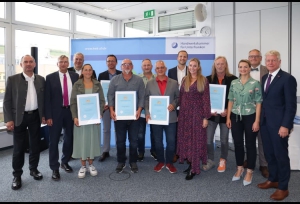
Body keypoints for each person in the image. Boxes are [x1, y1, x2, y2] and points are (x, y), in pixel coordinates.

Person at [257, 50, 297, 201]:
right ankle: (273, 179)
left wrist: (286, 125)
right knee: (269, 154)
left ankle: (283, 187)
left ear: (279, 62)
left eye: (273, 60)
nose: (270, 63)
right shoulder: (265, 77)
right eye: (268, 60)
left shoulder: (288, 79)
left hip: (279, 125)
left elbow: (291, 106)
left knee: (280, 155)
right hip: (265, 123)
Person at [3, 55, 45, 190]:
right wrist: (9, 119)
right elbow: (7, 101)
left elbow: (43, 100)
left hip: (35, 117)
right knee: (18, 148)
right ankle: (17, 175)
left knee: (35, 145)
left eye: (30, 62)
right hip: (18, 119)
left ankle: (34, 169)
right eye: (25, 62)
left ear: (35, 64)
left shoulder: (41, 79)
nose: (28, 64)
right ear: (21, 64)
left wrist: (44, 115)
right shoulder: (12, 79)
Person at [226, 59, 262, 186]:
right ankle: (239, 167)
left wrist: (257, 121)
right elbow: (230, 100)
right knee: (238, 144)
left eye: (245, 67)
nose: (243, 69)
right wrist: (228, 117)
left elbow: (258, 103)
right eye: (240, 67)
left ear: (249, 68)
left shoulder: (255, 83)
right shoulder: (234, 83)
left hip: (250, 116)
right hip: (235, 116)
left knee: (251, 144)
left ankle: (250, 171)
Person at [107, 58, 145, 173]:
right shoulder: (114, 80)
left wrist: (139, 110)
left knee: (134, 140)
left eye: (129, 64)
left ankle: (133, 161)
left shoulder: (139, 80)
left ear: (132, 66)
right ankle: (121, 161)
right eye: (124, 64)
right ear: (121, 66)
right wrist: (111, 110)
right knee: (120, 141)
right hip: (119, 117)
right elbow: (110, 96)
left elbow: (142, 97)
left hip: (134, 116)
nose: (127, 66)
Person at [45, 55, 79, 181]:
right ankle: (54, 167)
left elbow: (78, 96)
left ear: (68, 63)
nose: (64, 64)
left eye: (66, 62)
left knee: (69, 138)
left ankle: (65, 161)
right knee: (53, 141)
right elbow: (47, 99)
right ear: (57, 63)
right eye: (61, 62)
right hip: (55, 113)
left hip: (70, 111)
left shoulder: (75, 76)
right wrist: (47, 115)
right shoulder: (50, 78)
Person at [176, 58, 211, 180]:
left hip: (197, 115)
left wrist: (206, 117)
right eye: (190, 65)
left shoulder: (203, 80)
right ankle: (191, 163)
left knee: (196, 141)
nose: (192, 68)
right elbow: (181, 97)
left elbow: (206, 100)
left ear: (198, 67)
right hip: (185, 115)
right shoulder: (185, 79)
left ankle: (194, 168)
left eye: (194, 66)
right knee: (187, 140)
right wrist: (178, 113)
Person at [70, 64, 105, 178]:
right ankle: (83, 166)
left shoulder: (97, 84)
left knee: (92, 140)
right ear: (82, 72)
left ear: (92, 71)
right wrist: (75, 117)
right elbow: (73, 102)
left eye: (90, 70)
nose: (88, 72)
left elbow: (101, 101)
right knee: (82, 141)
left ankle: (91, 165)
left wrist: (99, 114)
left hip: (93, 118)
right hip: (81, 119)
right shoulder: (77, 84)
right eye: (86, 70)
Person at [145, 60, 179, 173]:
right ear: (155, 70)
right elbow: (146, 99)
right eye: (158, 68)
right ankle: (160, 161)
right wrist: (147, 112)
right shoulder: (149, 83)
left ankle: (169, 162)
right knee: (158, 141)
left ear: (165, 69)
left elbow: (178, 98)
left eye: (162, 67)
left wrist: (173, 105)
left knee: (171, 141)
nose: (160, 69)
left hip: (171, 117)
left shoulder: (174, 83)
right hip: (156, 118)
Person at [205, 56, 237, 172]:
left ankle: (223, 159)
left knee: (224, 140)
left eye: (222, 64)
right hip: (211, 115)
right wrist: (208, 110)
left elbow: (235, 97)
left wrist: (228, 110)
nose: (220, 66)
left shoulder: (233, 79)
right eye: (217, 64)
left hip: (225, 115)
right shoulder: (207, 79)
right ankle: (210, 160)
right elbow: (204, 98)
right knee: (208, 140)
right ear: (214, 65)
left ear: (226, 65)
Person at [243, 49, 269, 178]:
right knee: (249, 137)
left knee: (262, 138)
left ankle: (263, 164)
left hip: (263, 110)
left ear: (260, 58)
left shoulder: (267, 70)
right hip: (247, 111)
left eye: (255, 56)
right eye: (250, 56)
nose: (253, 58)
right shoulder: (243, 70)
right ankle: (250, 159)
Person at [97, 54, 122, 162]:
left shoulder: (121, 75)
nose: (110, 63)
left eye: (112, 61)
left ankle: (119, 151)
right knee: (106, 129)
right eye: (108, 61)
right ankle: (106, 151)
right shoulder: (101, 75)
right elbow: (100, 91)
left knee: (119, 130)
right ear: (106, 63)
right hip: (106, 107)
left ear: (116, 63)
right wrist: (103, 103)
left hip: (119, 106)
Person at [167, 50, 188, 163]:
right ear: (177, 58)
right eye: (180, 56)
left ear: (186, 58)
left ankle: (185, 153)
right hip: (174, 105)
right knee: (175, 131)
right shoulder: (170, 71)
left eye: (184, 57)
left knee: (186, 131)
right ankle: (176, 153)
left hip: (187, 105)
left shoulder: (191, 70)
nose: (182, 58)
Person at [137, 58, 157, 162]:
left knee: (154, 133)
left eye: (148, 65)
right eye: (144, 65)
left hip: (154, 110)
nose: (146, 67)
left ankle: (154, 151)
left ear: (151, 66)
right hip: (141, 110)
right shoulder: (137, 78)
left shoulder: (157, 77)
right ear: (141, 67)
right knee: (140, 134)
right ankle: (141, 151)